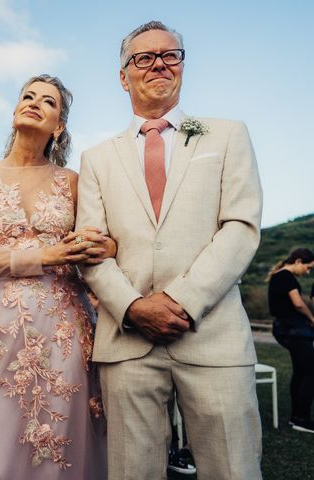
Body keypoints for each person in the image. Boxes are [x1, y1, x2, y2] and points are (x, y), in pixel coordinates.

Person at [76, 21, 263, 479]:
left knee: (233, 469)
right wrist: (133, 306)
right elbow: (90, 249)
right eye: (144, 57)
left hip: (213, 336)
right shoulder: (96, 159)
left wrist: (181, 300)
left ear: (182, 66)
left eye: (171, 54)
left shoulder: (227, 135)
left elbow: (240, 226)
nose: (159, 63)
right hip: (128, 342)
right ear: (124, 76)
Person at [0, 74, 114, 479]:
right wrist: (47, 253)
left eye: (47, 102)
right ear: (14, 112)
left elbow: (102, 242)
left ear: (58, 126)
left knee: (57, 430)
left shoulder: (73, 183)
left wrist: (99, 246)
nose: (34, 103)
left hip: (60, 326)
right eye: (27, 96)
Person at [268, 248, 314, 432]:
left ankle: (297, 418)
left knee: (301, 371)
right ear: (298, 261)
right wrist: (312, 319)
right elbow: (298, 303)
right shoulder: (285, 276)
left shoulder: (279, 276)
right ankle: (302, 419)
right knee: (312, 371)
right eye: (308, 268)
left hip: (286, 329)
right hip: (293, 330)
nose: (308, 272)